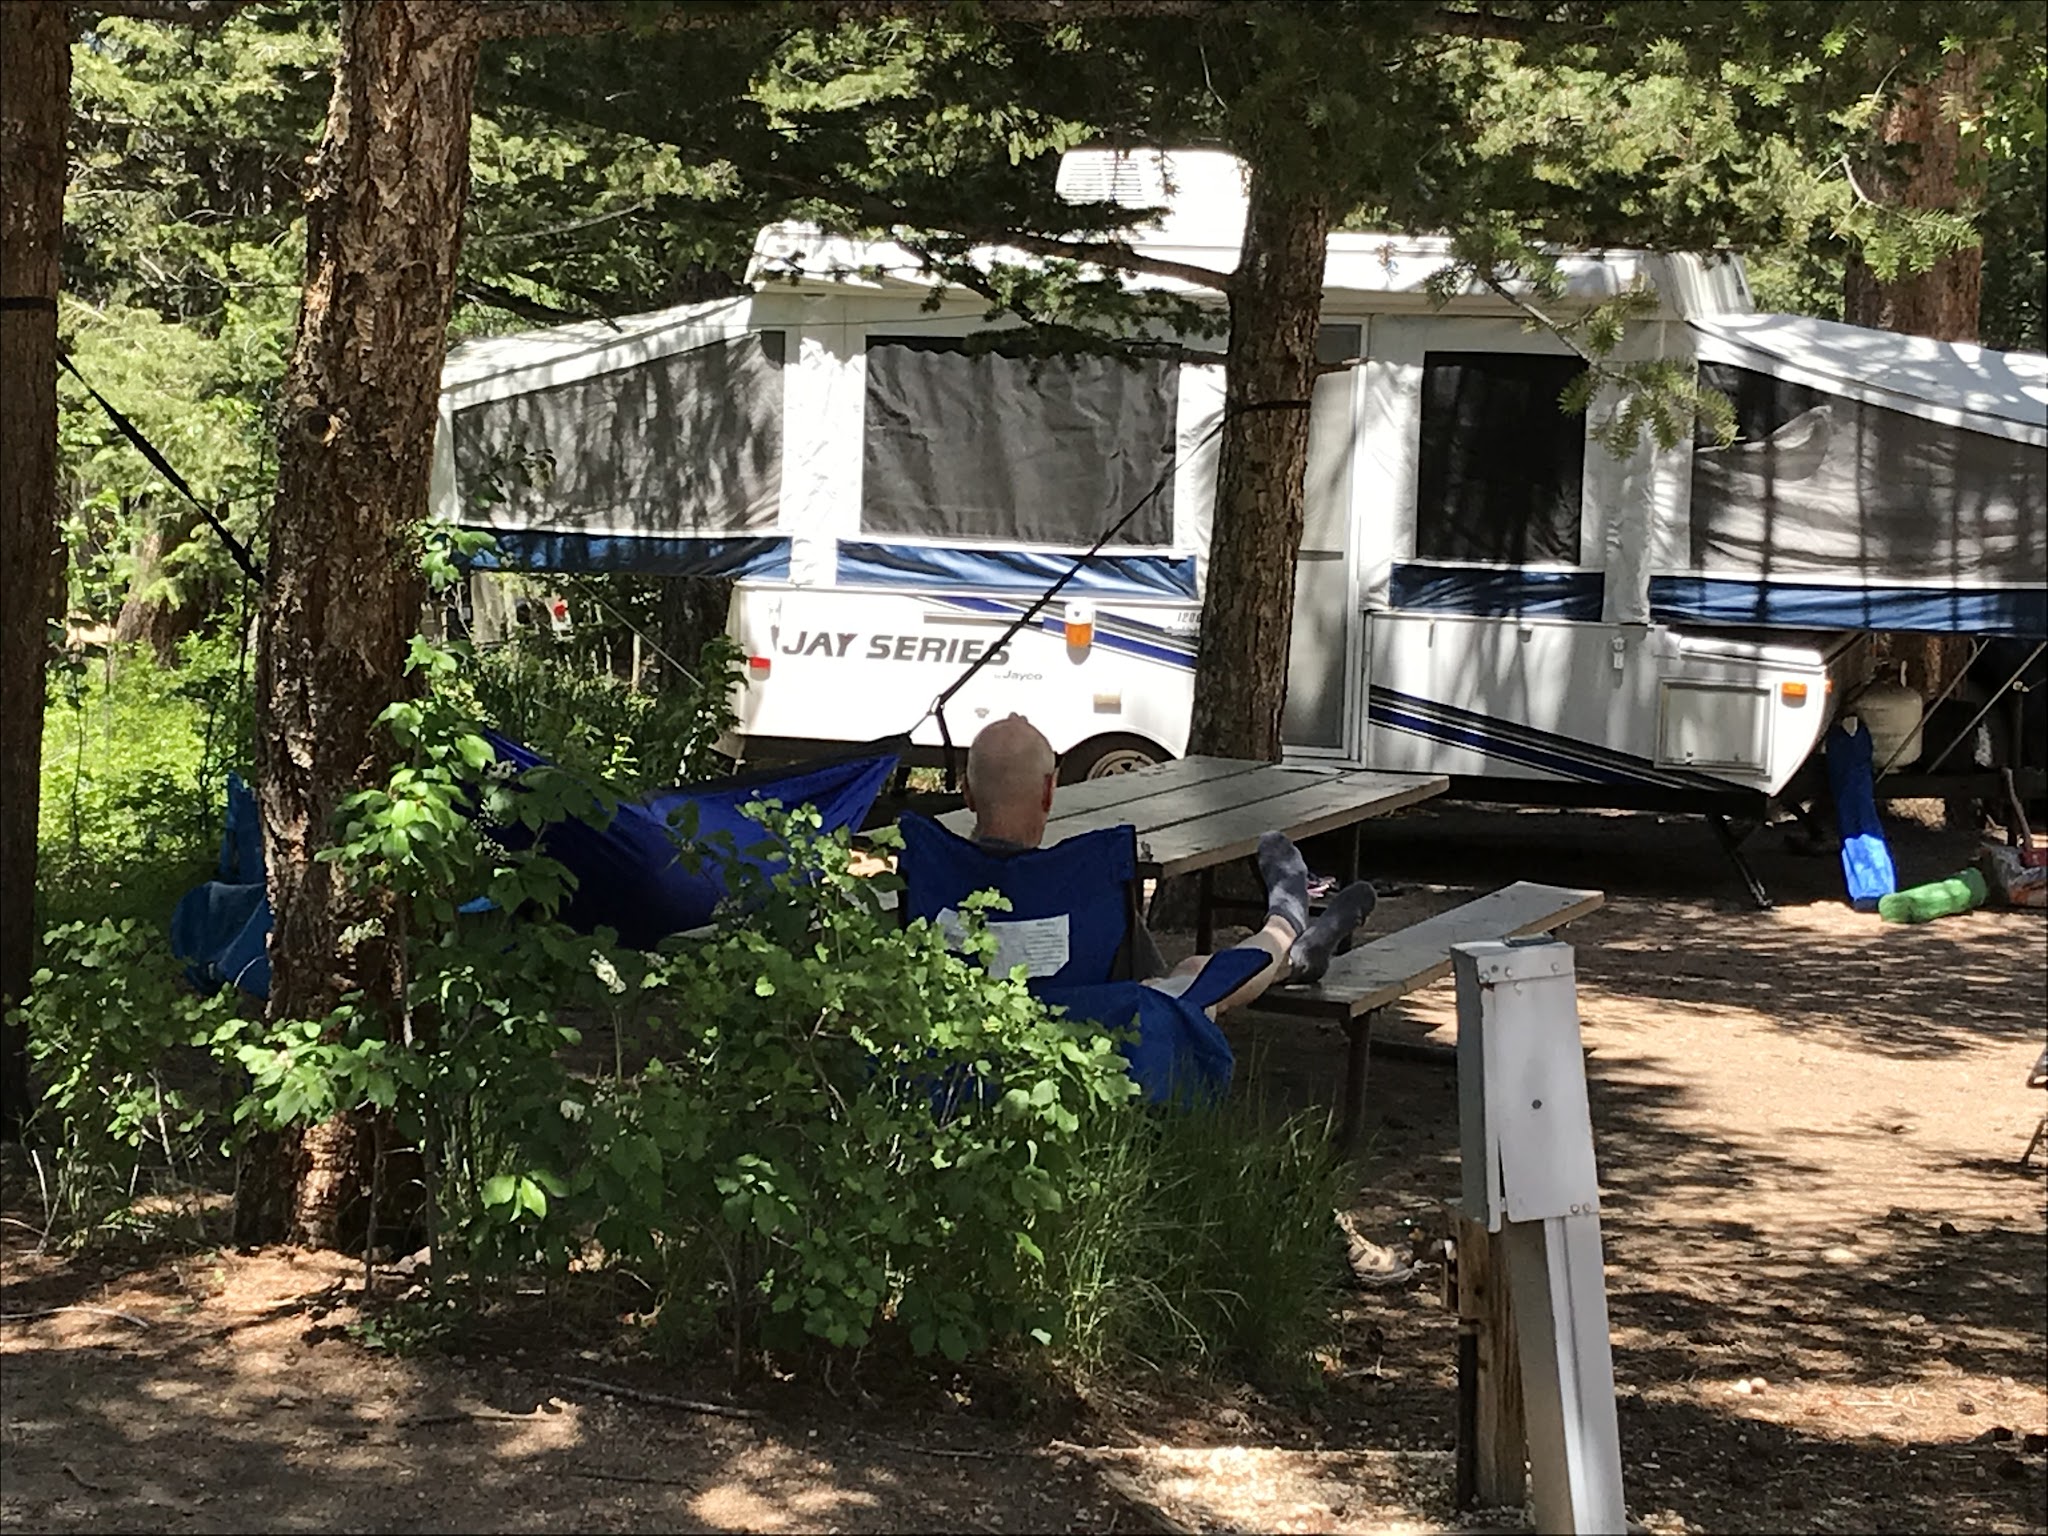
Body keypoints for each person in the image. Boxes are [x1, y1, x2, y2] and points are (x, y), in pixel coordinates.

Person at [960, 714, 1377, 1017]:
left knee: (1192, 973)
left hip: (975, 1063)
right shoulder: (1082, 881)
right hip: (1101, 1048)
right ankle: (1286, 923)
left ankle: (1301, 954)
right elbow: (1154, 982)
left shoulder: (934, 877)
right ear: (1050, 792)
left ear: (967, 795)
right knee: (1199, 975)